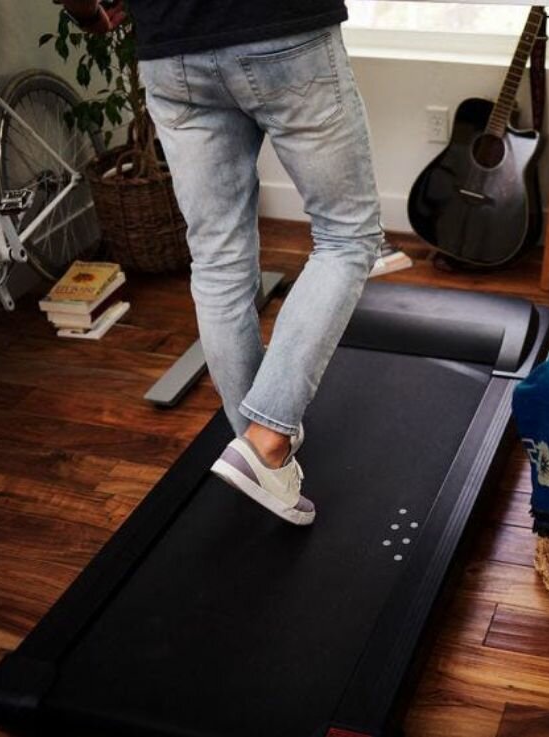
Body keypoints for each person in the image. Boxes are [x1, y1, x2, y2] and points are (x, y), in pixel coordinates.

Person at [60, 0, 384, 526]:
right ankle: (267, 440)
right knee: (347, 235)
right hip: (282, 31)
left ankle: (256, 451)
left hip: (171, 53)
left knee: (217, 260)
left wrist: (87, 13)